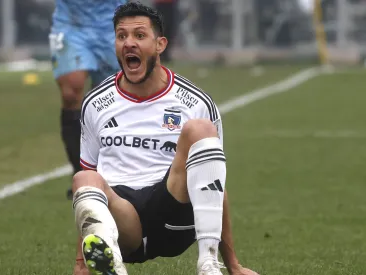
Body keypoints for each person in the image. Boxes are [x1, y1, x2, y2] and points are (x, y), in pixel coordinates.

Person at [72, 2, 259, 275]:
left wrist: (234, 264)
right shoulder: (95, 103)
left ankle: (209, 265)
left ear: (160, 44)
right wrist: (80, 263)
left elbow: (215, 185)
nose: (128, 44)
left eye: (139, 35)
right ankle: (111, 266)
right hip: (123, 222)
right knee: (82, 179)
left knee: (200, 130)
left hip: (172, 213)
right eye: (121, 36)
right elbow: (88, 197)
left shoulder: (195, 102)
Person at [49, 0, 127, 200]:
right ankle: (81, 175)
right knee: (71, 91)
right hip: (71, 24)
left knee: (109, 96)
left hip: (112, 23)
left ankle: (110, 172)